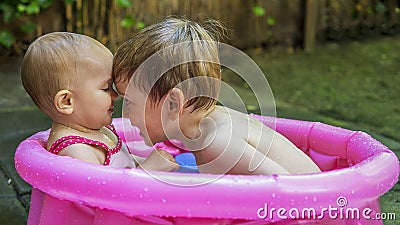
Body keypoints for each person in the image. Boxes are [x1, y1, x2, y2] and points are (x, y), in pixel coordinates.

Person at [112, 17, 321, 175]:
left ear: (173, 104)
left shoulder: (218, 144)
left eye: (129, 102)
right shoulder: (206, 127)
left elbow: (292, 198)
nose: (126, 113)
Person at [21, 31, 178, 171]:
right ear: (67, 102)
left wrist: (147, 162)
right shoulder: (76, 150)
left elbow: (123, 165)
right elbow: (104, 192)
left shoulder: (94, 128)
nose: (115, 95)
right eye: (105, 88)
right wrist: (148, 169)